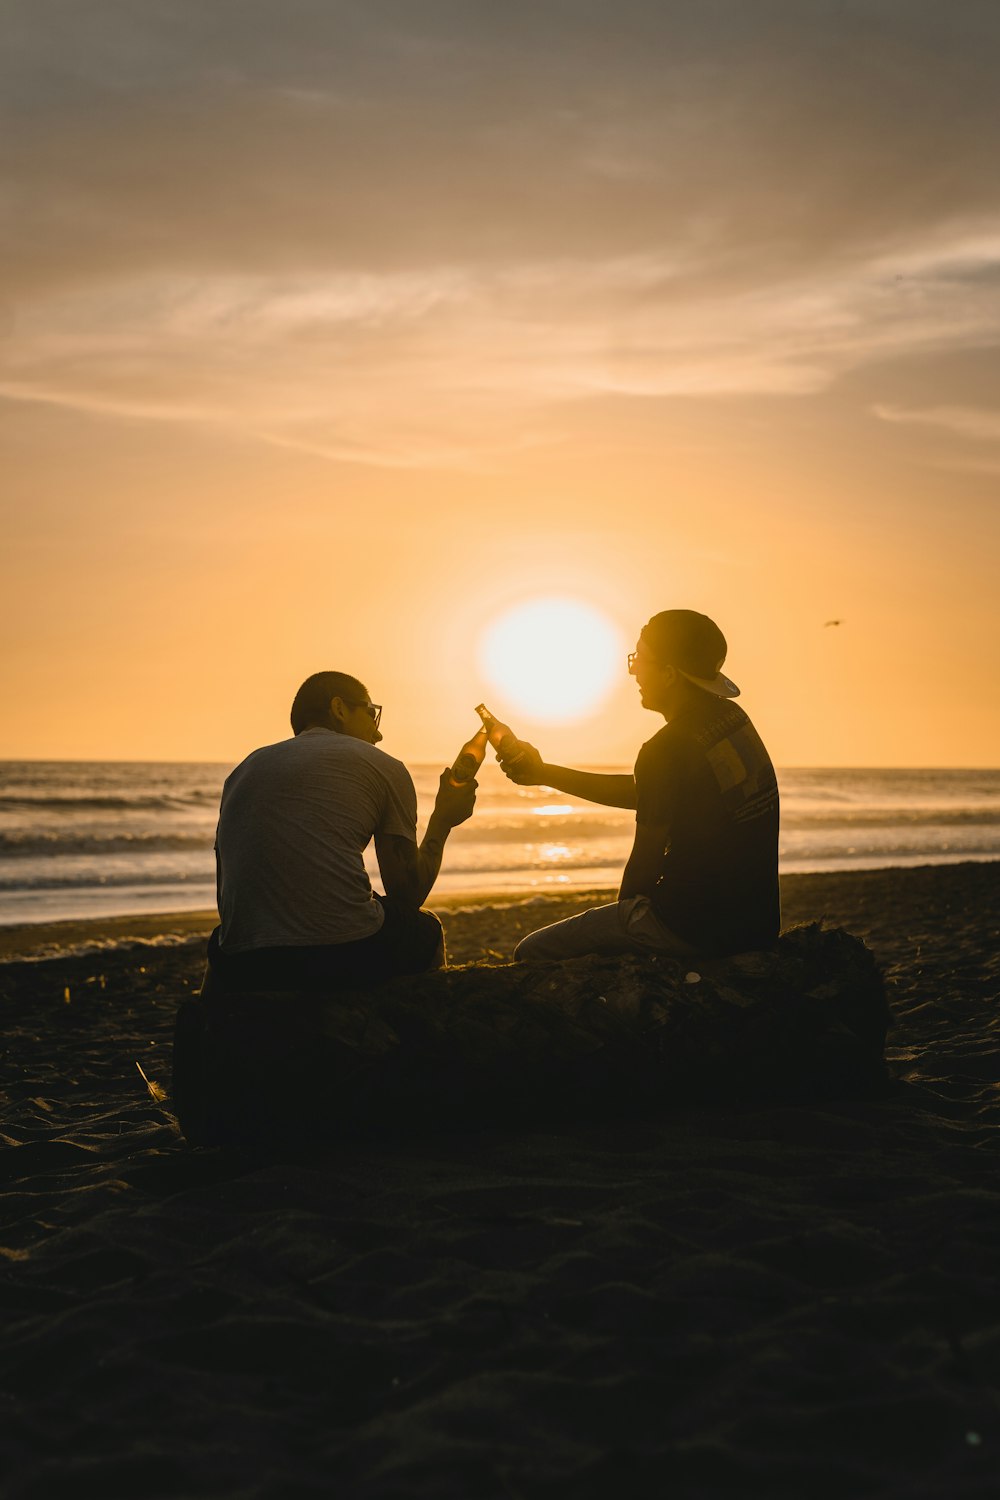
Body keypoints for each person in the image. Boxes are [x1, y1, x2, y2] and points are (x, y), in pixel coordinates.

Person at [502, 610, 780, 961]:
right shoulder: (733, 721)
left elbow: (643, 867)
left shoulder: (665, 749)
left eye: (639, 660)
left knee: (531, 951)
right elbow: (653, 793)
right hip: (757, 928)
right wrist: (545, 774)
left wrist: (624, 931)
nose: (633, 671)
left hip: (692, 930)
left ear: (667, 674)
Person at [205, 670, 476, 993]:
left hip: (241, 961)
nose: (378, 735)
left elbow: (228, 889)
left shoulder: (243, 770)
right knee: (425, 928)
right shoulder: (383, 765)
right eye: (371, 713)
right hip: (338, 954)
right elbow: (407, 895)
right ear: (339, 708)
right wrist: (443, 819)